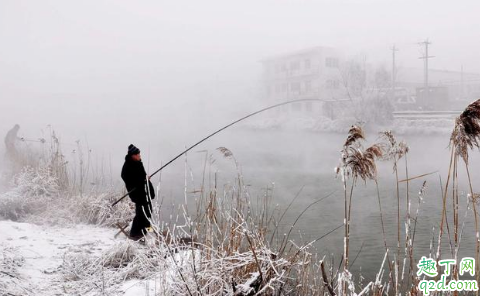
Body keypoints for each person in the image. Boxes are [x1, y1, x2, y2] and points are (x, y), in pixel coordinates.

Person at [121, 144, 155, 241]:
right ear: (133, 155)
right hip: (137, 194)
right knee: (141, 214)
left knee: (148, 211)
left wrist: (145, 179)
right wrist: (141, 181)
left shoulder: (138, 162)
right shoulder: (127, 165)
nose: (140, 156)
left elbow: (142, 175)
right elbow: (126, 177)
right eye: (138, 154)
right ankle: (134, 235)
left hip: (144, 191)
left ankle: (146, 231)